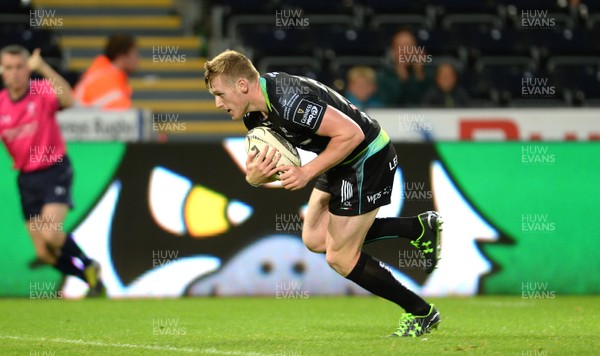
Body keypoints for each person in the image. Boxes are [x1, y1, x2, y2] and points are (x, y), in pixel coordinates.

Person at [204, 50, 443, 337]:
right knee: (315, 238)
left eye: (219, 94)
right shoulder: (255, 115)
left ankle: (421, 312)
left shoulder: (289, 101)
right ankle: (416, 227)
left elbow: (351, 134)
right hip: (339, 159)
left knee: (340, 256)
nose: (217, 103)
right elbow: (273, 164)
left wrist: (306, 173)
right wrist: (255, 178)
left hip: (367, 156)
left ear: (242, 85)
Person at [0, 45, 105, 296]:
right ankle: (89, 277)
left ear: (28, 68)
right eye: (9, 68)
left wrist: (44, 67)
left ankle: (89, 263)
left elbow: (68, 100)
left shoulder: (40, 91)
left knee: (49, 233)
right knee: (44, 253)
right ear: (2, 71)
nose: (15, 73)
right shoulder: (1, 104)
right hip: (26, 179)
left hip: (54, 170)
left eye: (20, 67)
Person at [73, 34, 139, 109]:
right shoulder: (107, 81)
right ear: (121, 56)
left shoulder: (101, 74)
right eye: (135, 54)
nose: (138, 59)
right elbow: (119, 115)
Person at [377, 28, 434, 107]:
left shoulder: (429, 73)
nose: (405, 51)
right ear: (393, 51)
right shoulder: (384, 76)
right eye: (400, 47)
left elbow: (430, 103)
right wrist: (403, 79)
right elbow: (388, 105)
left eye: (409, 46)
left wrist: (419, 75)